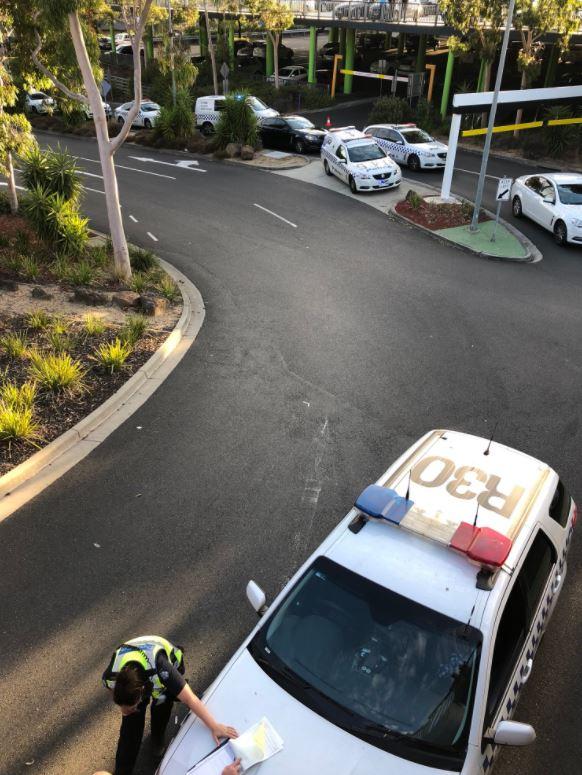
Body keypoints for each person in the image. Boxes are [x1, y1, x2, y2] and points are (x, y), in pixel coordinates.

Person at [102, 635, 238, 775]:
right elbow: (114, 693)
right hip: (137, 683)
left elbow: (190, 699)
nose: (124, 711)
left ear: (142, 692)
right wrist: (128, 708)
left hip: (161, 678)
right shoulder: (112, 675)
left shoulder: (162, 669)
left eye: (128, 707)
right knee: (130, 728)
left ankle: (157, 738)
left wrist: (214, 726)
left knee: (162, 706)